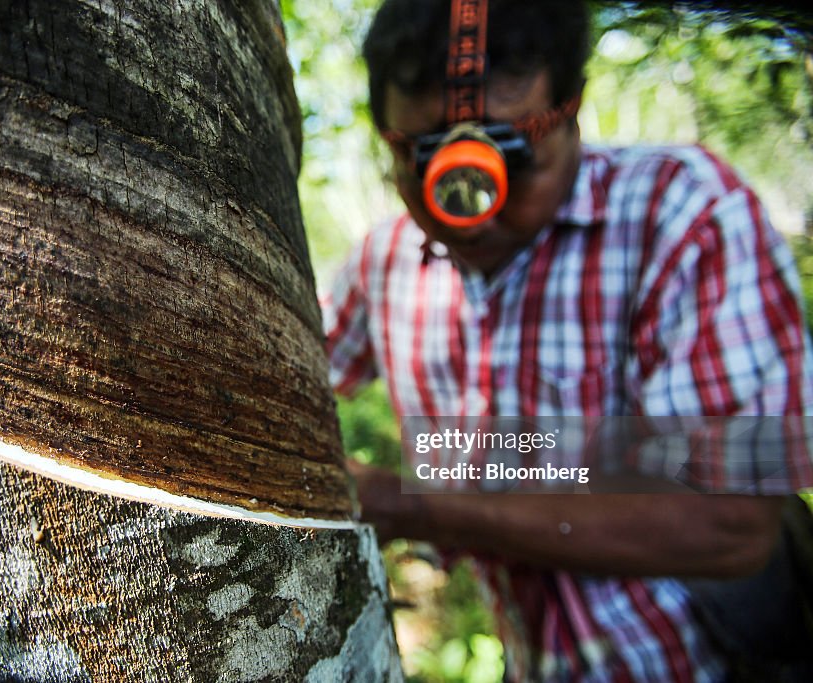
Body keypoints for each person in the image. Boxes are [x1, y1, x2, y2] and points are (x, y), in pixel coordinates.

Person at [320, 0, 813, 680]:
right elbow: (284, 365)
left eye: (509, 159)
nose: (469, 210)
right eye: (429, 165)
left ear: (572, 108)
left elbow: (733, 520)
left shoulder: (685, 217)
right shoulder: (385, 263)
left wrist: (410, 503)